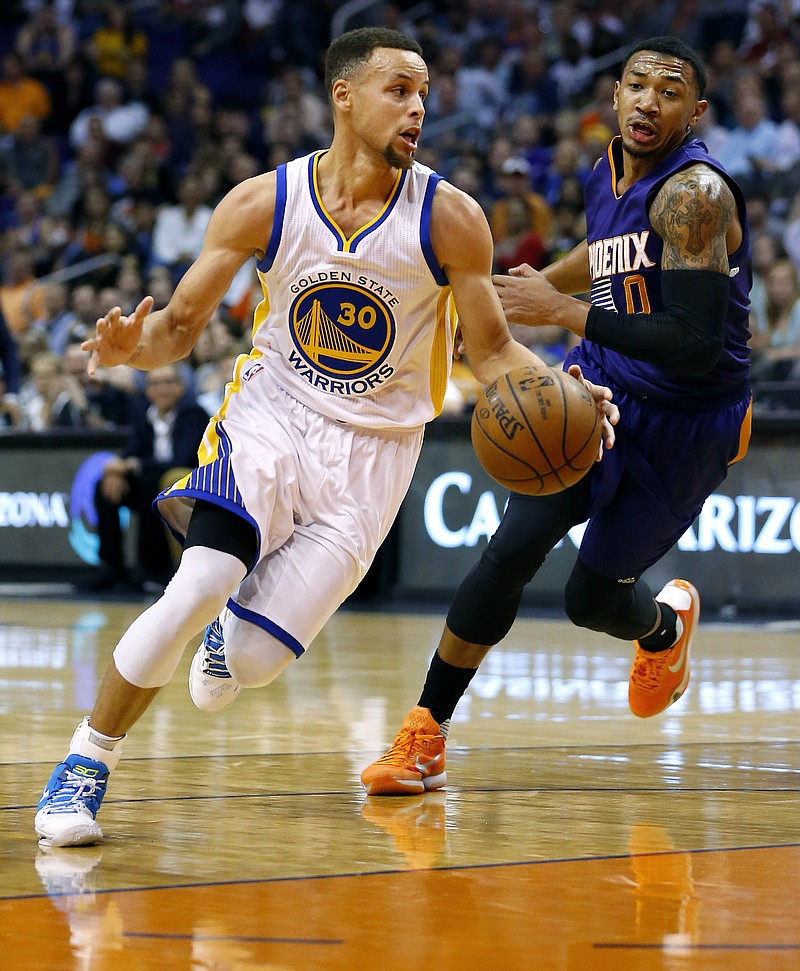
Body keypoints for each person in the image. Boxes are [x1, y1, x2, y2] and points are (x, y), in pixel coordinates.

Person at [32, 26, 618, 847]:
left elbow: (488, 350)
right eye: (398, 89)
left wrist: (561, 389)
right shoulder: (263, 201)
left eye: (423, 93)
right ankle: (84, 765)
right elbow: (180, 327)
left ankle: (226, 638)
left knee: (247, 667)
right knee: (197, 581)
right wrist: (137, 349)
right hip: (270, 414)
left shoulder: (451, 218)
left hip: (376, 457)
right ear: (343, 96)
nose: (417, 107)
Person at [361, 35, 753, 797]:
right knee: (512, 547)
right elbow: (609, 250)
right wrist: (534, 286)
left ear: (695, 111)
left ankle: (664, 630)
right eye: (637, 85)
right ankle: (425, 735)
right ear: (613, 95)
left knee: (592, 600)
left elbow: (697, 345)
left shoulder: (694, 195)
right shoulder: (606, 172)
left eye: (670, 91)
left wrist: (563, 311)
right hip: (601, 390)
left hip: (686, 418)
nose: (649, 101)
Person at [86, 363, 209, 593]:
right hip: (149, 478)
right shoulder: (144, 413)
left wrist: (134, 465)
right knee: (104, 487)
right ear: (148, 390)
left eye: (168, 382)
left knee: (150, 486)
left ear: (181, 386)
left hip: (185, 483)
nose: (162, 389)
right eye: (156, 384)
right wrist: (116, 470)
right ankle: (112, 569)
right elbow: (132, 449)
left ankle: (152, 569)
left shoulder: (193, 413)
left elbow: (182, 459)